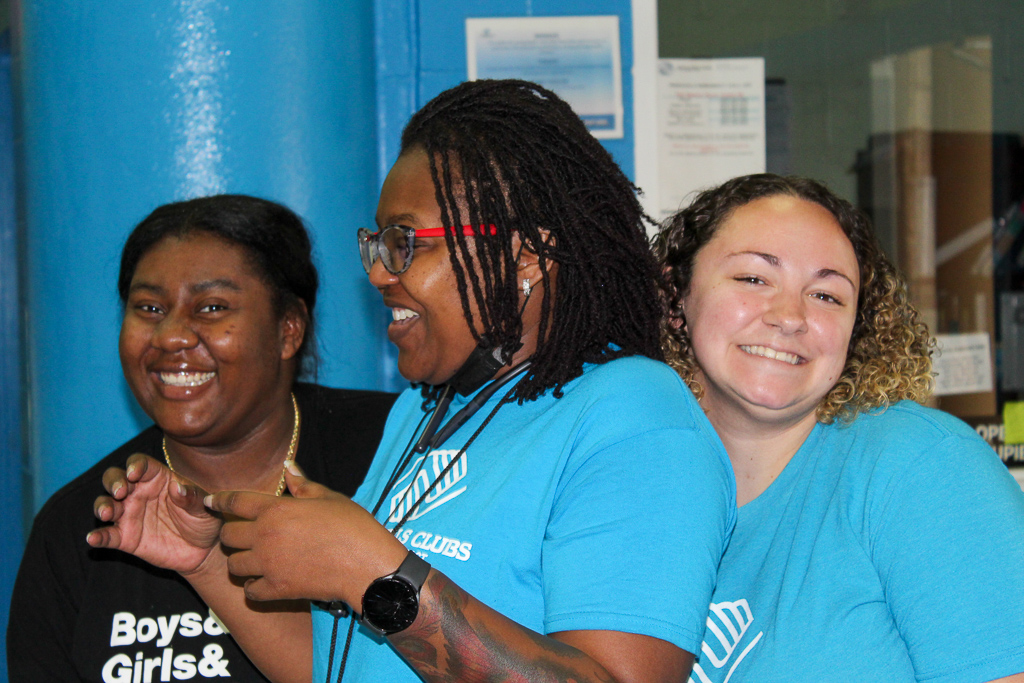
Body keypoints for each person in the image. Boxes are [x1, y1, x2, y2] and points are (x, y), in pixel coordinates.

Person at [86, 79, 736, 683]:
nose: (377, 272)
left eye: (405, 243)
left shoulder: (637, 417)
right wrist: (203, 563)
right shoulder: (426, 410)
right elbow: (340, 661)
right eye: (375, 245)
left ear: (524, 258)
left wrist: (377, 572)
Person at [7, 194, 397, 683]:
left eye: (211, 307)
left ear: (288, 329)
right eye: (148, 307)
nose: (171, 336)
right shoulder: (84, 528)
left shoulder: (400, 456)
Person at [654, 173, 1024, 683]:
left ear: (857, 330)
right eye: (754, 279)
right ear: (677, 300)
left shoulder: (922, 468)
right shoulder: (627, 476)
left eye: (827, 295)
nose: (789, 316)